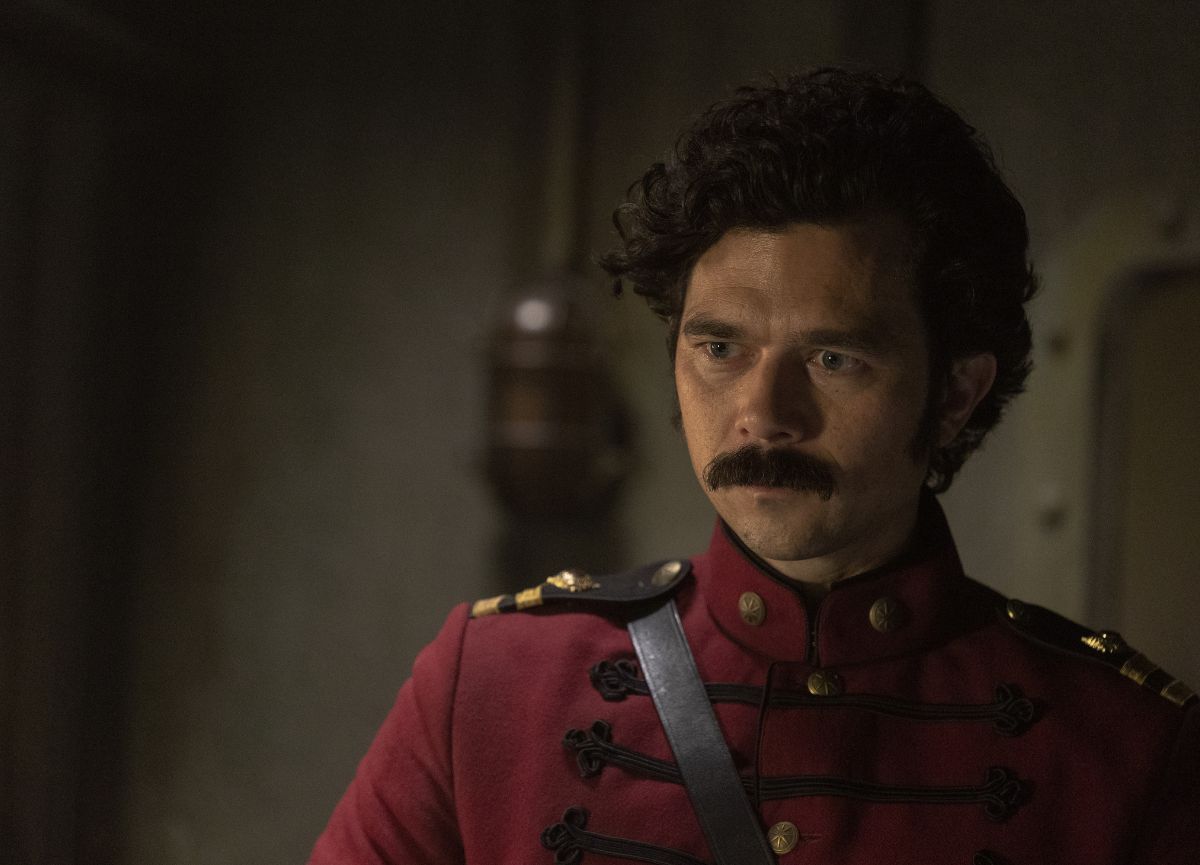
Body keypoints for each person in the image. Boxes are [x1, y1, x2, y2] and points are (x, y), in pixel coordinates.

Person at [308, 67, 1198, 865]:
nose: (764, 414)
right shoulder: (489, 683)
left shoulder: (1127, 749)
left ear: (956, 392)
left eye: (834, 359)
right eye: (721, 348)